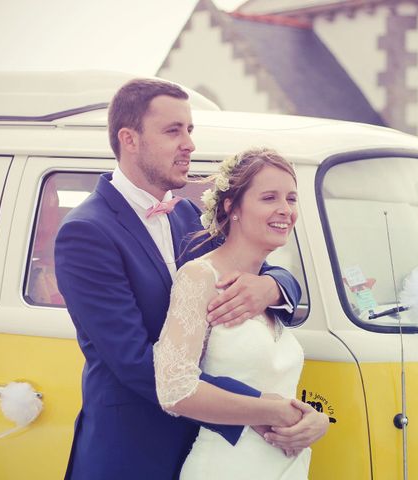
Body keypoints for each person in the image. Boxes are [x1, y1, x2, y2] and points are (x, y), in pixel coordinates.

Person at [54, 79, 303, 479]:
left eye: (190, 130)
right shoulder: (86, 232)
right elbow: (134, 362)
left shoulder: (187, 217)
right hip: (132, 452)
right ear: (129, 139)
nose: (188, 143)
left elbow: (253, 261)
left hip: (204, 449)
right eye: (173, 131)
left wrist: (273, 287)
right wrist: (260, 407)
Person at [153, 148, 330, 479]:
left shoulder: (269, 287)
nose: (285, 210)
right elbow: (174, 389)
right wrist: (271, 411)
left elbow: (277, 384)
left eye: (291, 199)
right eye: (269, 197)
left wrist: (314, 422)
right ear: (231, 206)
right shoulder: (200, 277)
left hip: (286, 468)